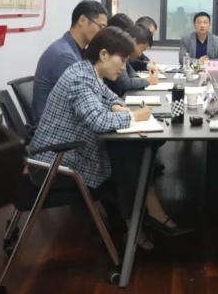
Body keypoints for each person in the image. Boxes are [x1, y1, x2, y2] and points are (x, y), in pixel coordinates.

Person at [29, 27, 192, 250]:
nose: (124, 68)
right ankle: (136, 229)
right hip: (57, 161)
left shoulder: (89, 72)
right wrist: (132, 116)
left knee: (135, 156)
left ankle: (139, 223)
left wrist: (117, 107)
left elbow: (113, 98)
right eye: (122, 60)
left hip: (72, 152)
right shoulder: (80, 78)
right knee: (131, 161)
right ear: (104, 54)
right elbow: (99, 121)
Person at [32, 0, 108, 122]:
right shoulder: (64, 56)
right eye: (101, 27)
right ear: (82, 20)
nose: (103, 33)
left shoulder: (76, 50)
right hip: (56, 126)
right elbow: (86, 101)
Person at [105, 25, 159, 96]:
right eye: (142, 50)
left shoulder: (124, 51)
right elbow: (124, 83)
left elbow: (131, 69)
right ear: (134, 42)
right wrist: (148, 81)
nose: (140, 55)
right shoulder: (119, 51)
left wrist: (147, 67)